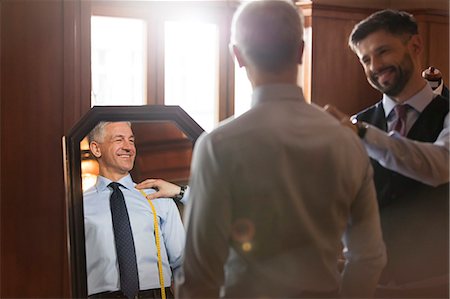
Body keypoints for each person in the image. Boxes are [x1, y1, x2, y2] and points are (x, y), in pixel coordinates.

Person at [177, 1, 386, 298]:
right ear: (301, 50)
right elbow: (369, 257)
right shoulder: (346, 141)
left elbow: (199, 275)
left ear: (237, 56)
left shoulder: (218, 146)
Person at [325, 9, 449, 298]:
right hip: (369, 286)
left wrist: (364, 135)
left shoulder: (446, 114)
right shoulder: (359, 123)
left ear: (415, 46)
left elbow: (441, 165)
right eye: (366, 59)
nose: (375, 65)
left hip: (438, 284)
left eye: (382, 52)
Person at [83, 121, 185, 298]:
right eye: (119, 140)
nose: (128, 147)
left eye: (131, 140)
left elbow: (182, 262)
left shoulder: (158, 199)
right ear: (96, 148)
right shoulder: (79, 205)